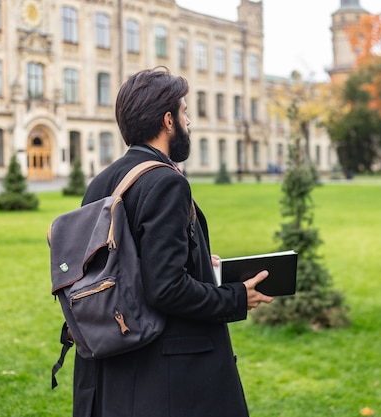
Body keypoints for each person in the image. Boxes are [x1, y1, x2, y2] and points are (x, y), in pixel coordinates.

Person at [74, 67, 274, 417]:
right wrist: (238, 296)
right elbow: (165, 288)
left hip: (115, 365)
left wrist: (197, 262)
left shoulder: (102, 182)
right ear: (168, 120)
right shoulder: (166, 182)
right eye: (184, 113)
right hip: (168, 379)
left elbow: (129, 262)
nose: (189, 122)